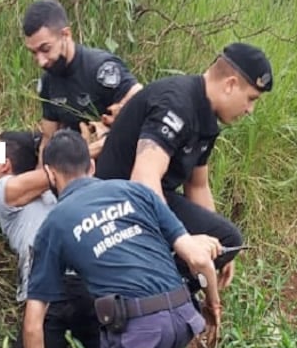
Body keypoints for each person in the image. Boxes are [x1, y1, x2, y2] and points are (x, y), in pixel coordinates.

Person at [23, 130, 222, 348]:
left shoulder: (54, 223)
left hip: (142, 328)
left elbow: (33, 325)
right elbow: (199, 259)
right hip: (186, 317)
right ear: (91, 166)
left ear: (50, 174)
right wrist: (214, 305)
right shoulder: (136, 191)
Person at [95, 42, 274, 290]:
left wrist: (220, 248)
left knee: (227, 238)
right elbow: (144, 179)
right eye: (251, 98)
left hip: (147, 200)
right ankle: (149, 292)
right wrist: (184, 241)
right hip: (115, 200)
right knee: (196, 246)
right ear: (231, 84)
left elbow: (198, 186)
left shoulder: (206, 114)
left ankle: (170, 295)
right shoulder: (176, 104)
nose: (250, 110)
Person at [0, 130, 100, 348]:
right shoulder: (12, 193)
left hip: (53, 292)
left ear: (4, 164)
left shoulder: (12, 189)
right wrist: (86, 152)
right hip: (87, 287)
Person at [22, 0, 141, 158]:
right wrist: (43, 171)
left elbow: (139, 96)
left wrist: (114, 123)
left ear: (66, 34)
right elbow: (48, 138)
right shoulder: (48, 80)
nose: (41, 61)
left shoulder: (100, 68)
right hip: (66, 145)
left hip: (101, 152)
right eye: (34, 53)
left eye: (46, 49)